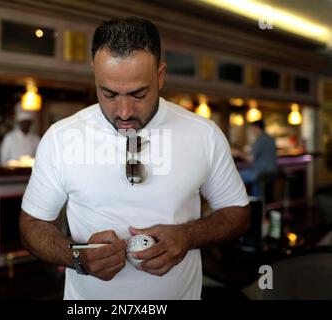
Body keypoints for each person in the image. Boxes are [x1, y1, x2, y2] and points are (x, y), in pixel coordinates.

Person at [20, 16, 249, 300]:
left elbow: (238, 214)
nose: (125, 111)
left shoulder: (204, 134)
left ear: (160, 76)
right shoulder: (60, 137)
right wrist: (78, 257)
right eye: (109, 93)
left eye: (139, 94)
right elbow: (33, 224)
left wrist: (188, 236)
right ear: (95, 76)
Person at [233, 120, 278, 196]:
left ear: (256, 128)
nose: (251, 131)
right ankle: (256, 202)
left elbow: (250, 159)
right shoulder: (270, 139)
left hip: (261, 172)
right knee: (256, 181)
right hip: (271, 172)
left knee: (234, 177)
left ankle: (238, 204)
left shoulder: (260, 140)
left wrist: (238, 153)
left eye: (252, 129)